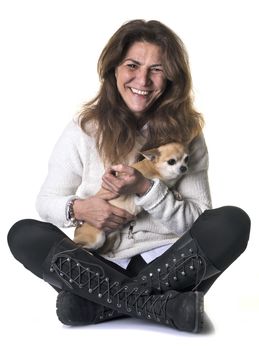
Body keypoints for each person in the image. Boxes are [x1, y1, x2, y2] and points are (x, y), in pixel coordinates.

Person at [7, 19, 250, 333]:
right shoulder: (84, 128)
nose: (143, 80)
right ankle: (167, 306)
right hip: (98, 263)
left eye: (157, 69)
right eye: (132, 65)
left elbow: (200, 220)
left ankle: (96, 306)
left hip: (173, 263)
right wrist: (81, 209)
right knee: (23, 233)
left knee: (232, 221)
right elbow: (47, 201)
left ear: (172, 77)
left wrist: (147, 188)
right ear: (114, 70)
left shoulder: (187, 134)